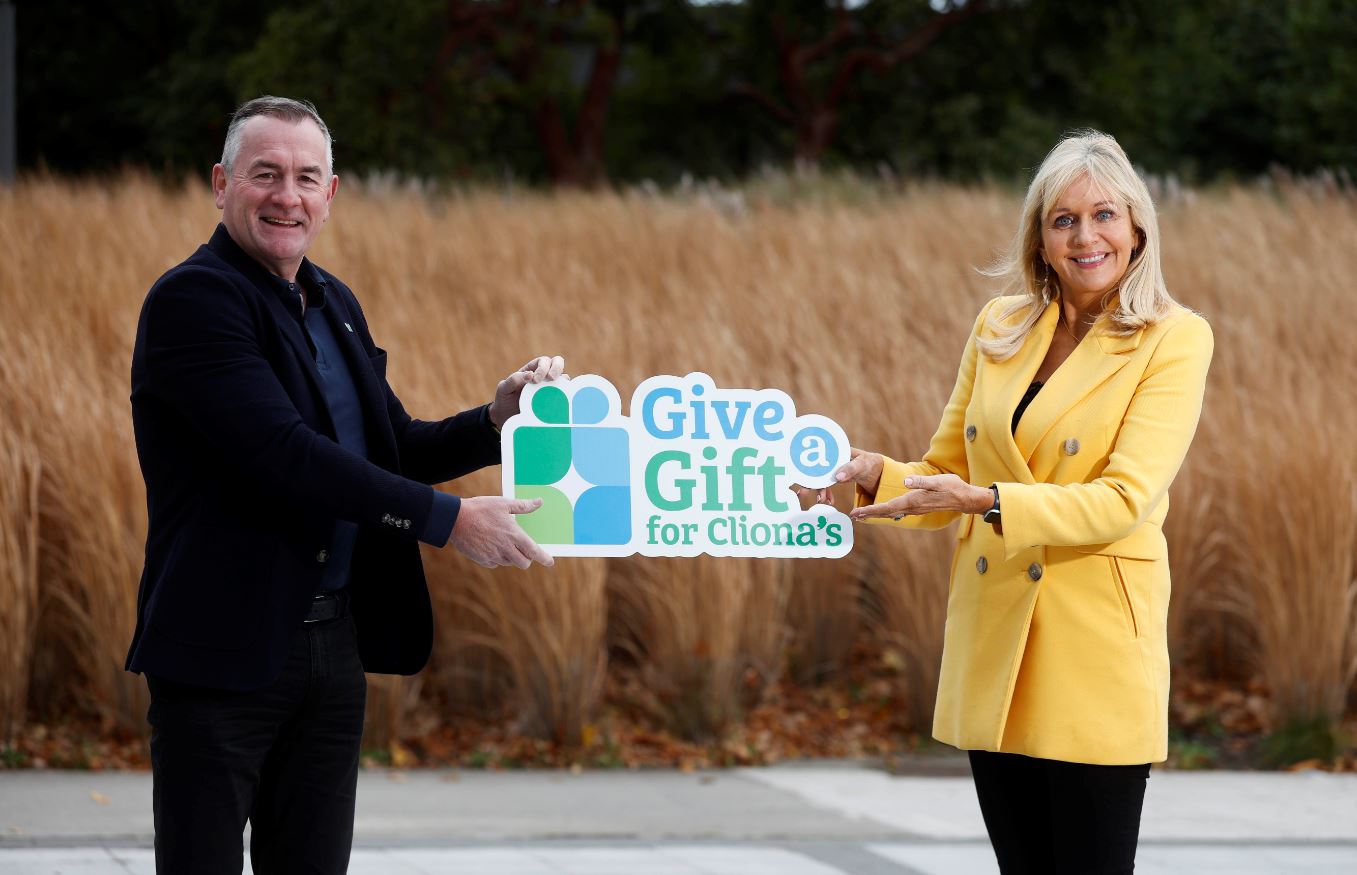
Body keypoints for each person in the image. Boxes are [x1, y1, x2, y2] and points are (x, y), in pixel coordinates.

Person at [124, 96, 560, 874]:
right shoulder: (194, 302)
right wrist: (447, 521)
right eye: (265, 174)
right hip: (222, 649)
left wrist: (497, 419)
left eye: (305, 177)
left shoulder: (334, 303)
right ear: (221, 183)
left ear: (332, 195)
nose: (286, 196)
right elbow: (285, 454)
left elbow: (391, 446)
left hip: (332, 647)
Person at [825, 131, 1213, 873]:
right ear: (1039, 236)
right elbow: (944, 472)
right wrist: (875, 472)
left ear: (1136, 226)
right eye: (1061, 219)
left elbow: (1122, 498)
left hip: (1090, 651)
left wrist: (985, 498)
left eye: (1103, 214)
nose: (1085, 235)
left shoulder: (1174, 338)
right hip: (997, 640)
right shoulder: (998, 324)